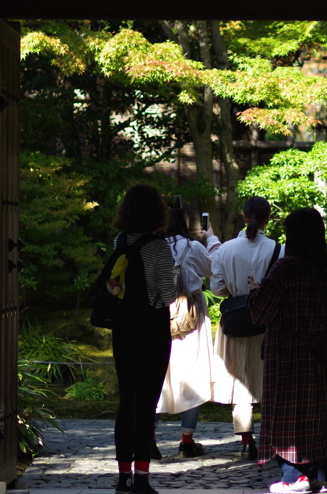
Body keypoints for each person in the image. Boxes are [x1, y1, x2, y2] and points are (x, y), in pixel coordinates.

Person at [246, 208, 327, 493]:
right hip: (325, 352)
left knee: (289, 410)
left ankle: (294, 476)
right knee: (322, 408)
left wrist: (255, 290)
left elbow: (260, 312)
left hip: (288, 353)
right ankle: (318, 474)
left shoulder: (285, 268)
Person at [106, 184, 176, 494]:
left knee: (126, 403)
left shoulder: (119, 241)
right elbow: (167, 295)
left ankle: (123, 478)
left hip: (122, 328)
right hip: (152, 330)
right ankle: (143, 478)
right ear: (156, 212)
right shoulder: (159, 247)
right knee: (145, 404)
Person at [209, 196, 285, 460]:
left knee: (241, 379)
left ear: (243, 217)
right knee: (270, 380)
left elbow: (217, 289)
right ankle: (274, 440)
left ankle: (246, 440)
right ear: (267, 219)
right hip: (268, 324)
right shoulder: (279, 249)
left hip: (236, 322)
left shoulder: (225, 250)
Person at [155, 201, 221, 458]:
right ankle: (186, 441)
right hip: (189, 318)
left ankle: (149, 442)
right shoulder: (192, 247)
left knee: (157, 378)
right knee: (191, 375)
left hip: (159, 315)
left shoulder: (152, 248)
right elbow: (212, 268)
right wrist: (211, 239)